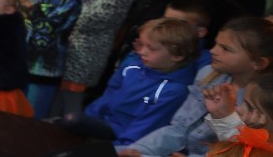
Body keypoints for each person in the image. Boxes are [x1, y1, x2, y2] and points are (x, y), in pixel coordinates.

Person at [118, 18, 273, 157]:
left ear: (259, 63)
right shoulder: (210, 75)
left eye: (226, 49)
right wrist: (136, 151)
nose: (213, 51)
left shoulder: (258, 104)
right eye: (216, 44)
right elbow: (179, 129)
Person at [62, 18, 200, 145]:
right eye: (142, 45)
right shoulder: (132, 66)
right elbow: (108, 96)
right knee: (68, 122)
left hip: (125, 136)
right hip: (105, 122)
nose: (142, 52)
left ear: (177, 55)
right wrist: (87, 119)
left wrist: (118, 150)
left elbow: (146, 127)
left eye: (151, 48)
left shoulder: (174, 90)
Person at [57, 0, 143, 116]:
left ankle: (67, 128)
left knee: (70, 102)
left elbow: (88, 20)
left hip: (86, 53)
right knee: (56, 97)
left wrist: (60, 13)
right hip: (65, 47)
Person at [23, 0, 85, 117]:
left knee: (31, 117)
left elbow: (47, 26)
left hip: (45, 71)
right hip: (21, 64)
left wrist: (30, 1)